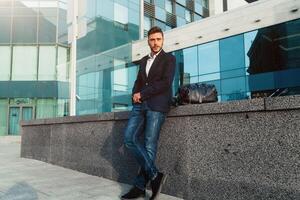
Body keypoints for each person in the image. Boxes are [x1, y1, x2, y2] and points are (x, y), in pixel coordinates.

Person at [121, 26, 176, 200]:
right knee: (129, 139)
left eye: (158, 39)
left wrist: (142, 94)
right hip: (139, 105)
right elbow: (138, 82)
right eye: (152, 39)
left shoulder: (169, 59)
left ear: (163, 40)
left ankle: (139, 187)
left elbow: (165, 83)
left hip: (157, 105)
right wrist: (134, 96)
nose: (155, 43)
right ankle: (155, 175)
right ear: (148, 41)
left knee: (149, 144)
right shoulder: (144, 60)